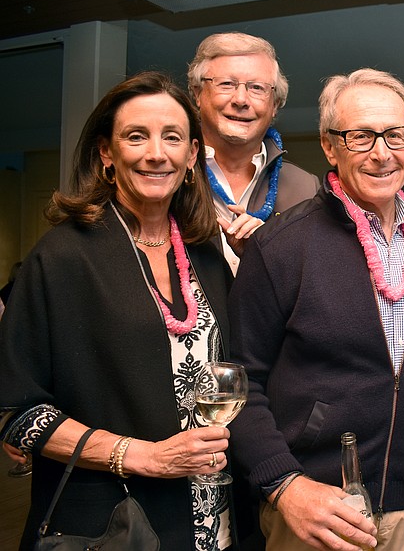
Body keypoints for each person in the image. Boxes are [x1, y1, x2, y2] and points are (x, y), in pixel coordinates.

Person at [0, 71, 237, 550]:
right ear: (107, 152)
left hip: (214, 522)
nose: (156, 153)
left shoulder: (206, 255)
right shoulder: (64, 257)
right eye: (136, 136)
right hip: (112, 525)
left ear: (192, 154)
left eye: (173, 137)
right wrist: (143, 457)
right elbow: (16, 413)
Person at [227, 68, 404, 551]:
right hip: (316, 506)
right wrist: (285, 484)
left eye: (395, 135)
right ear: (330, 147)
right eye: (361, 136)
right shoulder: (281, 247)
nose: (382, 153)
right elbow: (239, 385)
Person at [188, 32, 320, 274]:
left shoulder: (305, 189)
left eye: (257, 88)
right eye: (226, 84)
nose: (241, 99)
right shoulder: (169, 174)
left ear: (275, 105)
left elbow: (312, 281)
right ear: (197, 93)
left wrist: (265, 255)